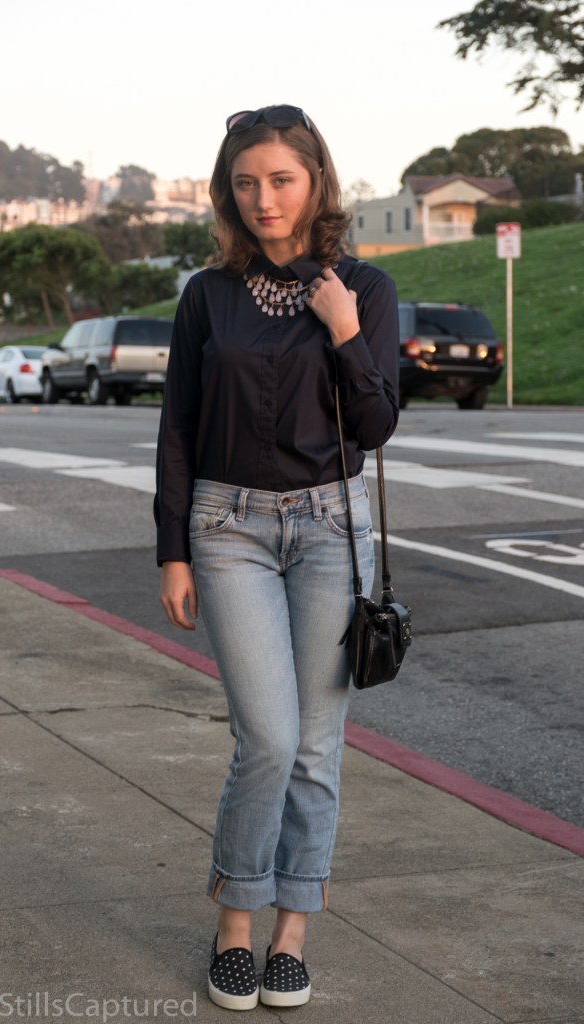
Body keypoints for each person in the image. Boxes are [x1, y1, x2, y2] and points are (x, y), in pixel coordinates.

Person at [154, 104, 399, 1011]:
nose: (263, 199)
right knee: (266, 738)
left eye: (281, 180)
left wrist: (341, 328)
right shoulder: (206, 294)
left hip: (331, 532)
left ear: (316, 182)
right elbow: (176, 426)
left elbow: (374, 428)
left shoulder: (362, 289)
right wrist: (170, 550)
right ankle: (233, 922)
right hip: (227, 531)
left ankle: (292, 932)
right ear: (228, 190)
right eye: (245, 182)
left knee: (316, 747)